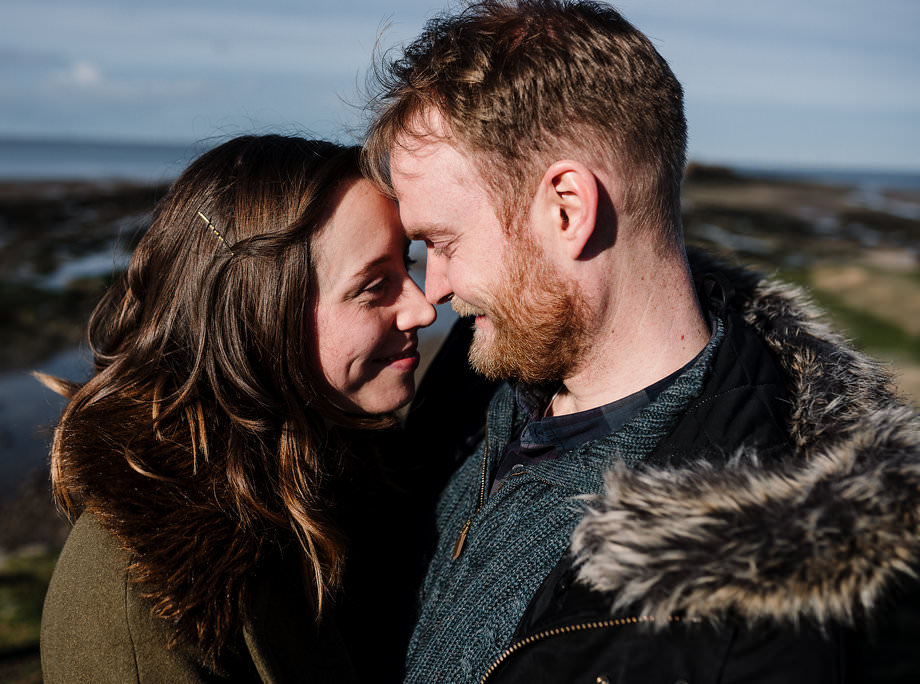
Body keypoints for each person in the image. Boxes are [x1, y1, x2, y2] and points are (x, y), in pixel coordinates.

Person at [363, 1, 920, 681]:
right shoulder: (476, 375)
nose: (434, 290)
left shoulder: (758, 610)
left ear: (567, 209)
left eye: (443, 243)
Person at [37, 134, 436, 682]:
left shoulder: (363, 480)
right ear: (258, 311)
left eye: (406, 267)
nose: (422, 308)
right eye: (374, 287)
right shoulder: (145, 598)